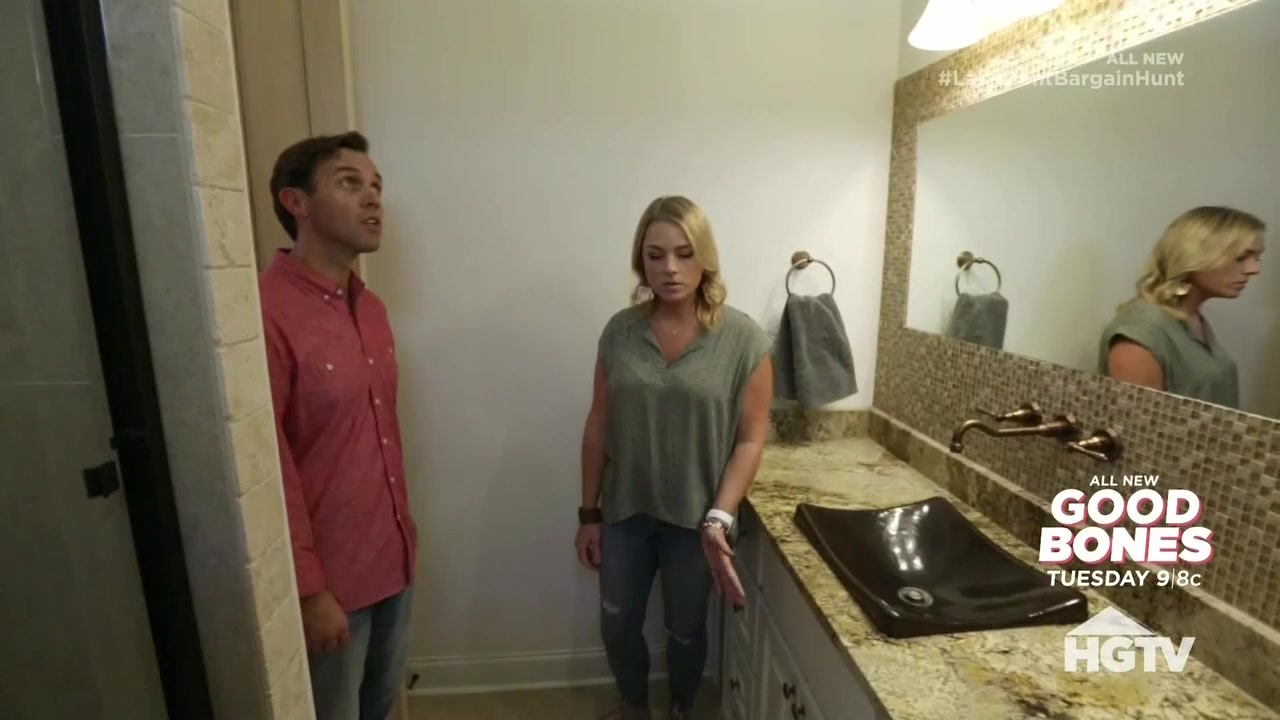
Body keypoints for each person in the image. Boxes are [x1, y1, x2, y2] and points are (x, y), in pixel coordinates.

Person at [575, 195, 774, 719]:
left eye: (684, 254)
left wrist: (720, 515)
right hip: (625, 512)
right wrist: (588, 513)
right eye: (655, 255)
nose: (670, 268)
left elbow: (751, 439)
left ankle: (682, 707)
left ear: (705, 257)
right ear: (640, 261)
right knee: (617, 623)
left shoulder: (744, 341)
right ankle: (634, 706)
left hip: (696, 520)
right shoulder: (620, 332)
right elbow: (598, 424)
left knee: (686, 630)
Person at [259, 131, 416, 720]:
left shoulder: (371, 309)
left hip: (394, 562)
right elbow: (266, 464)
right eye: (350, 184)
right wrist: (307, 589)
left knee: (380, 705)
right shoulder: (264, 312)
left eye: (376, 187)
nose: (373, 199)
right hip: (329, 585)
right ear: (296, 202)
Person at [1099, 205, 1265, 408]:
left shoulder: (1190, 317)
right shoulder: (1142, 330)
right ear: (1195, 256)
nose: (1254, 269)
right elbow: (1137, 420)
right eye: (1241, 258)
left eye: (1257, 258)